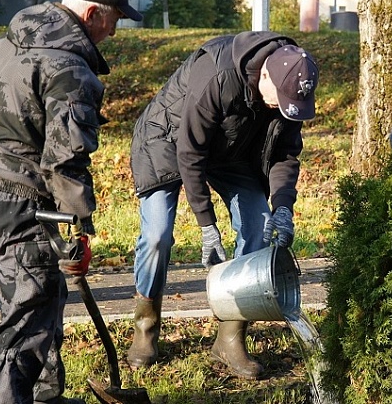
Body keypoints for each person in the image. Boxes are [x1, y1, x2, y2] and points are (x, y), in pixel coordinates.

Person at [0, 0, 142, 404]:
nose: (115, 32)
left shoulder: (1, 45)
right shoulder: (70, 71)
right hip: (24, 203)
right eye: (116, 19)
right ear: (95, 14)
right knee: (26, 322)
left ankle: (47, 397)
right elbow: (65, 159)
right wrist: (82, 222)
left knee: (42, 298)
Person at [127, 32, 318, 379]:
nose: (284, 108)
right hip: (168, 142)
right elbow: (190, 152)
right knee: (157, 235)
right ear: (264, 76)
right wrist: (206, 225)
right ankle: (146, 327)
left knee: (259, 225)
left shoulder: (290, 84)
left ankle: (230, 337)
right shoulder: (216, 73)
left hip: (232, 150)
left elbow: (285, 154)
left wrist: (284, 207)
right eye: (281, 100)